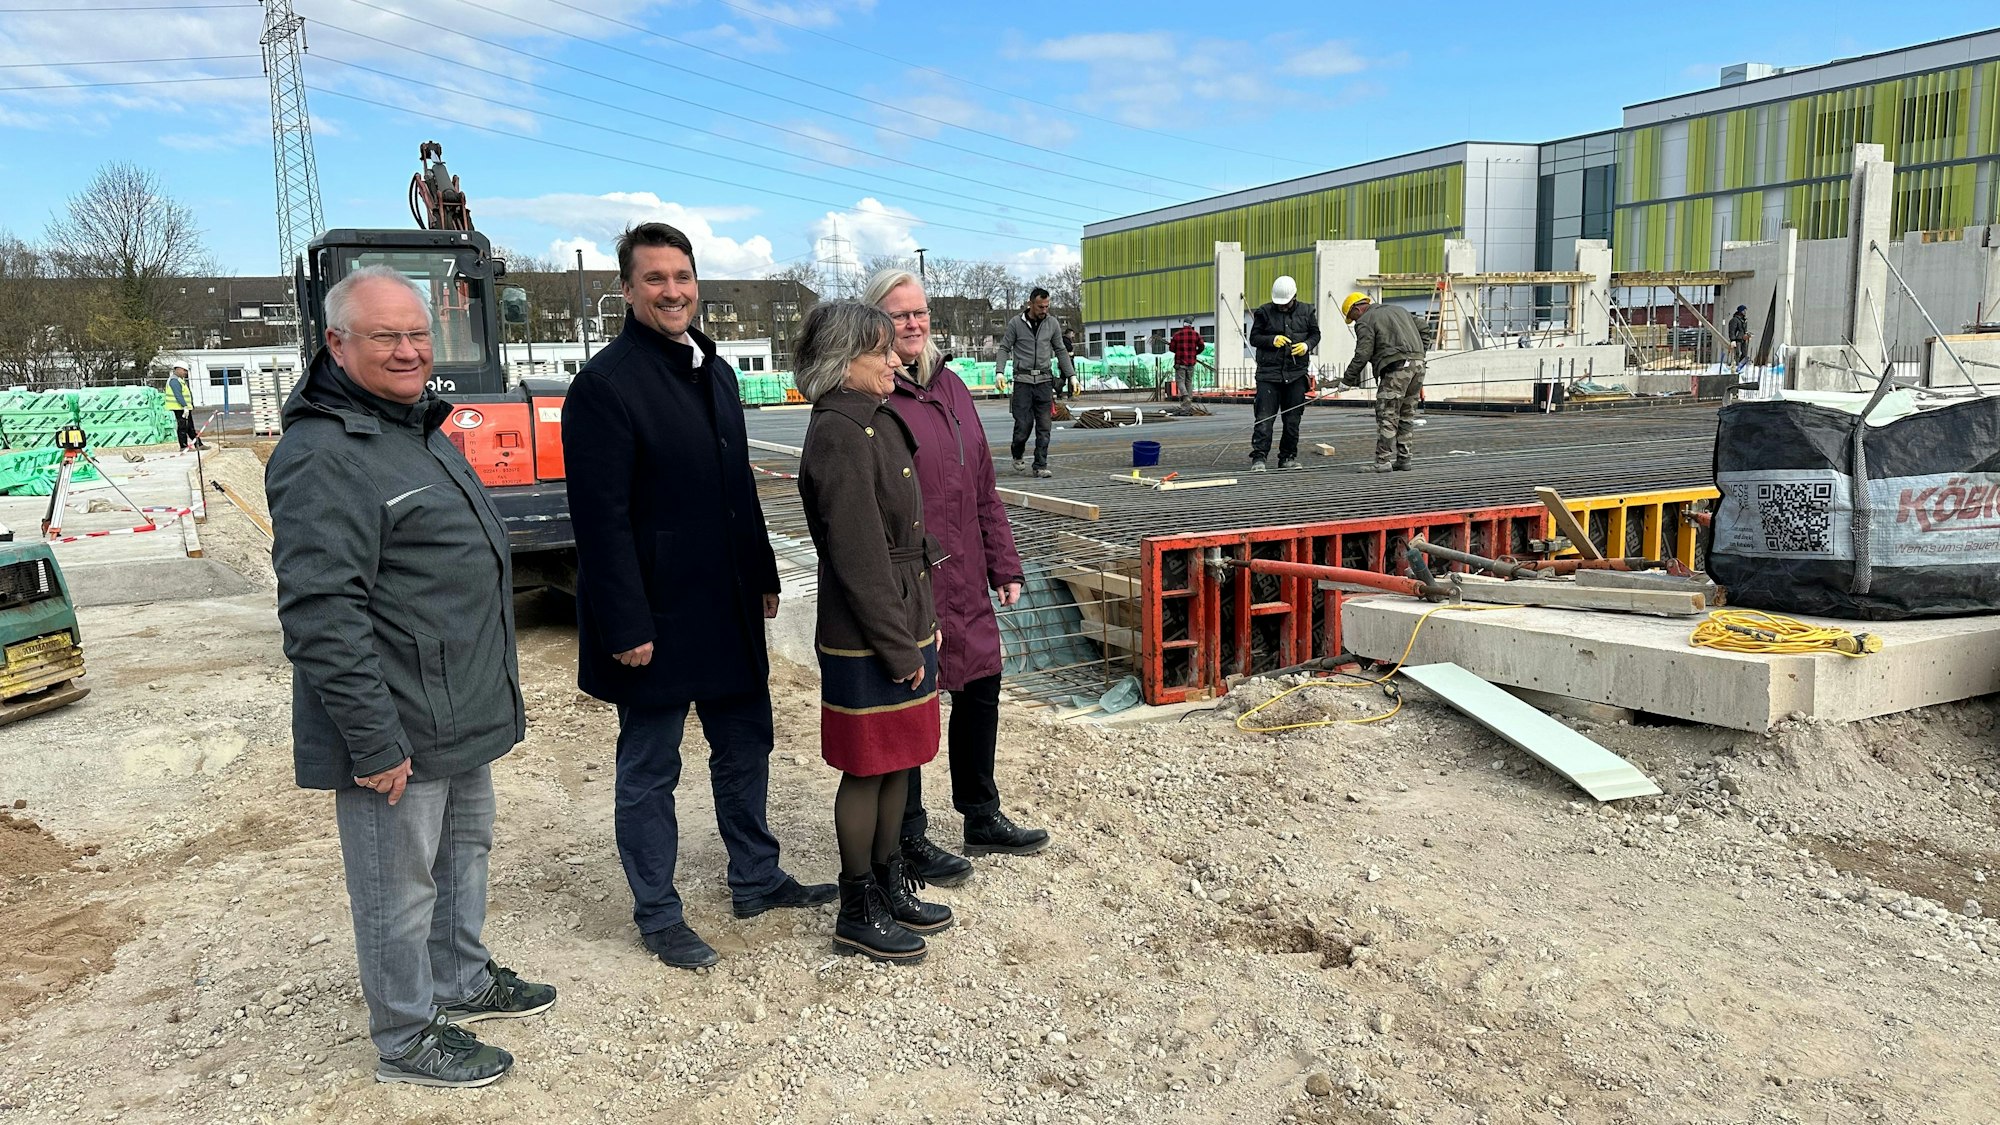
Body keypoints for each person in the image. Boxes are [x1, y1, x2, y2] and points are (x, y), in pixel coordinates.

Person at [267, 266, 553, 1090]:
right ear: (336, 343)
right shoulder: (324, 453)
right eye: (385, 335)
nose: (407, 349)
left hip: (457, 706)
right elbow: (322, 614)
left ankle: (459, 979)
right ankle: (403, 1031)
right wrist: (372, 738)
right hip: (396, 721)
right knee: (397, 886)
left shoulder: (415, 427)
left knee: (464, 855)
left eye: (417, 334)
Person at [562, 222, 835, 972]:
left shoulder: (711, 369)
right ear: (626, 289)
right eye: (655, 278)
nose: (673, 290)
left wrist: (765, 570)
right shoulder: (605, 387)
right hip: (654, 613)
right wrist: (624, 621)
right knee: (651, 767)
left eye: (682, 275)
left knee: (745, 745)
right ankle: (657, 912)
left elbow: (735, 483)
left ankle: (755, 875)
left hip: (727, 600)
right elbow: (600, 518)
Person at [866, 268, 1047, 887]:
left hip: (966, 571)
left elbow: (983, 488)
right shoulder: (873, 395)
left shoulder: (952, 387)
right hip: (910, 581)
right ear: (874, 323)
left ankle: (980, 811)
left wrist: (1005, 562)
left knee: (981, 691)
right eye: (898, 315)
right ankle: (909, 833)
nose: (913, 325)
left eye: (919, 313)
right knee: (913, 702)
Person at [794, 300, 955, 964]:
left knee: (901, 759)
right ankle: (857, 904)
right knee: (868, 767)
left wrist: (926, 623)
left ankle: (890, 880)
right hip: (868, 631)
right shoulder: (838, 431)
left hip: (903, 615)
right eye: (880, 350)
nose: (897, 358)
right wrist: (897, 644)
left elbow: (906, 536)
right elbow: (859, 557)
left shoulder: (873, 420)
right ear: (843, 361)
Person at [1339, 293, 1429, 473]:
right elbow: (1425, 328)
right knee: (1406, 413)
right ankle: (1404, 459)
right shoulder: (1399, 310)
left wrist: (1347, 380)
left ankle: (1383, 461)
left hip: (1396, 369)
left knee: (1387, 414)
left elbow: (1362, 354)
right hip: (1418, 367)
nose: (1355, 321)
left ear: (1357, 309)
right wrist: (1419, 353)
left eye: (1353, 317)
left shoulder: (1365, 320)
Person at [997, 287, 1076, 478]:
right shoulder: (1016, 323)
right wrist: (1000, 372)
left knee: (1044, 426)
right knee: (1023, 425)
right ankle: (1017, 452)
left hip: (1044, 382)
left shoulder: (1052, 324)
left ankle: (1040, 464)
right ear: (1030, 303)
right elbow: (1004, 348)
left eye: (1047, 306)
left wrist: (1071, 375)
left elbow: (1060, 350)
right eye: (1040, 306)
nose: (1044, 310)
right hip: (1022, 381)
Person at [1247, 276, 1320, 472]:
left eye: (1285, 303)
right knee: (1264, 418)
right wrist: (1271, 340)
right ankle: (1259, 458)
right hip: (1268, 375)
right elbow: (1254, 338)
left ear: (1294, 297)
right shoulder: (1264, 312)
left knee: (1292, 419)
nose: (1282, 307)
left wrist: (1306, 345)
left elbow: (1315, 334)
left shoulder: (1307, 311)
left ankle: (1287, 457)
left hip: (1296, 374)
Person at [1169, 317, 1205, 409]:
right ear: (1191, 325)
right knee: (1189, 381)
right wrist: (1195, 353)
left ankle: (1185, 396)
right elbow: (1202, 346)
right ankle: (1188, 401)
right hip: (1191, 362)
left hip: (1180, 362)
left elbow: (1171, 348)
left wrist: (1178, 349)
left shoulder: (1177, 335)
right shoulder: (1195, 335)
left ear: (1183, 324)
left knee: (1180, 381)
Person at [166, 364, 202, 451]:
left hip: (184, 408)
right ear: (177, 369)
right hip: (179, 408)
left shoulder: (180, 380)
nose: (185, 372)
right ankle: (183, 446)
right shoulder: (174, 381)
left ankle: (199, 444)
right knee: (183, 427)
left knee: (190, 427)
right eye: (184, 370)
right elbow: (178, 395)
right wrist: (184, 406)